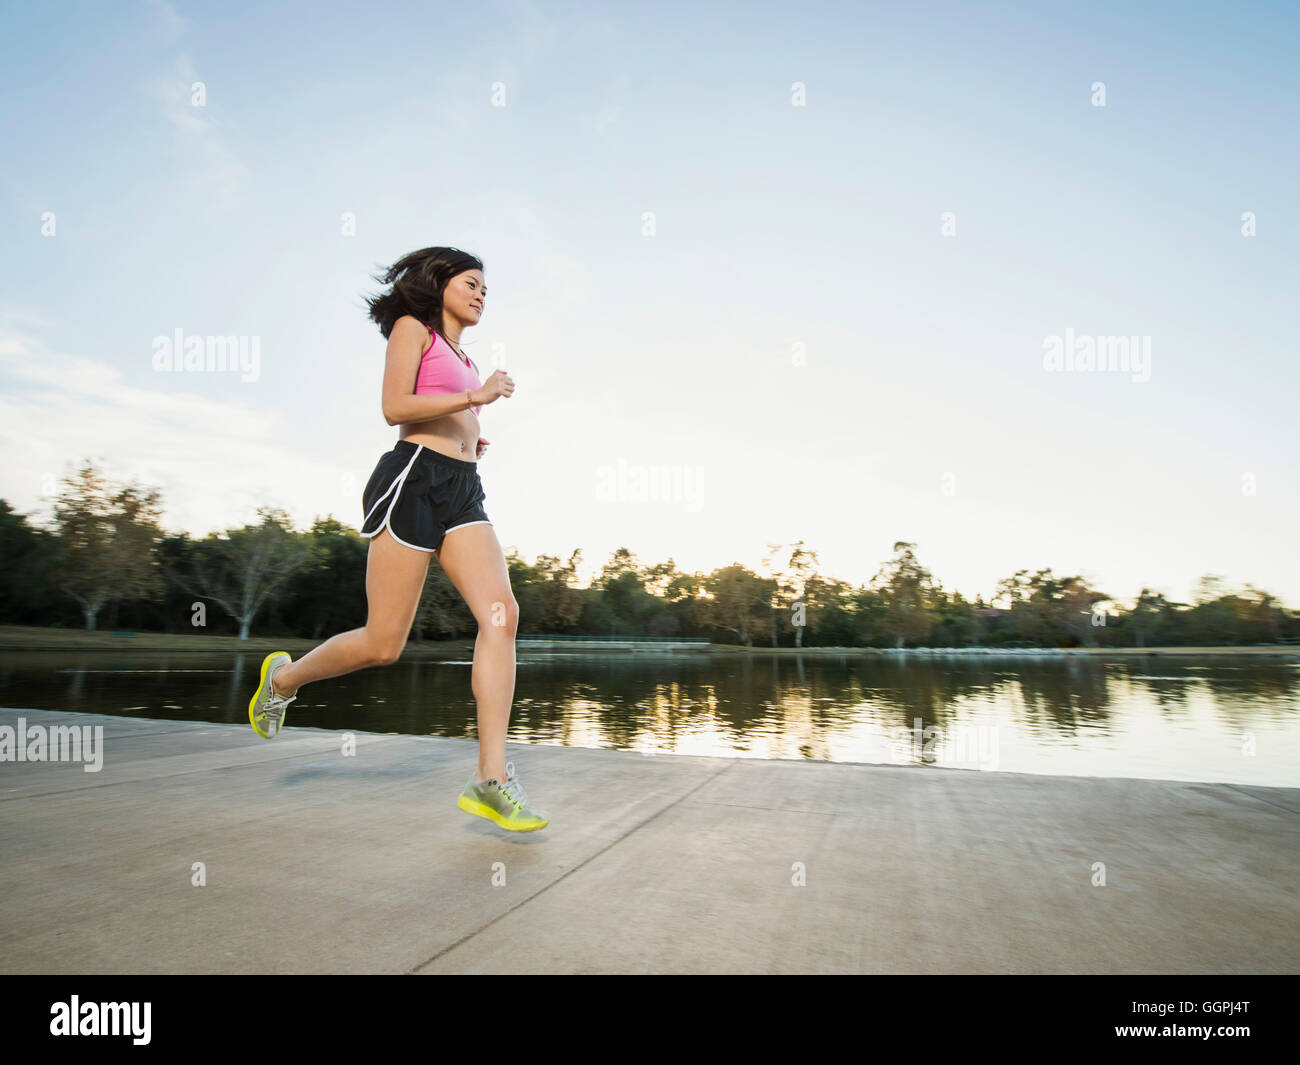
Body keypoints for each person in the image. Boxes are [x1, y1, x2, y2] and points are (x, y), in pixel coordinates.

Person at [245, 246, 548, 831]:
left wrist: (471, 434)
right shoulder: (414, 329)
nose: (481, 294)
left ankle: (490, 779)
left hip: (463, 488)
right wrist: (474, 399)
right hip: (412, 479)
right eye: (471, 283)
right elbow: (394, 408)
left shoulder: (462, 354)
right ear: (440, 285)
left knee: (502, 614)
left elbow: (444, 411)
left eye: (487, 288)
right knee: (384, 645)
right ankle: (282, 679)